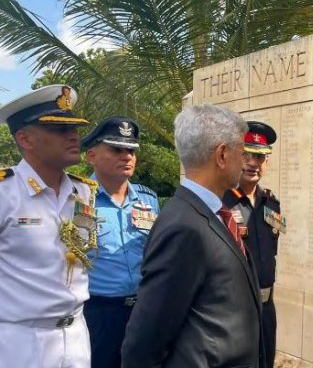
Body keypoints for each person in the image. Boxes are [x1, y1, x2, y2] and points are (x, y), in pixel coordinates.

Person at [122, 104, 262, 368]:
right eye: (241, 153)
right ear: (222, 155)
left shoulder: (212, 214)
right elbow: (146, 337)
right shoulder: (184, 226)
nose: (245, 162)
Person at [0, 85, 97, 368]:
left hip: (77, 334)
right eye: (59, 129)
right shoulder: (6, 193)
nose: (73, 136)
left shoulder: (84, 193)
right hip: (20, 340)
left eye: (74, 128)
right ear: (25, 138)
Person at [81, 116, 160, 368]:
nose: (126, 156)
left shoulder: (148, 200)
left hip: (143, 310)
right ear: (91, 156)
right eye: (116, 149)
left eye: (131, 150)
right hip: (98, 314)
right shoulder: (77, 200)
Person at [223, 121, 285, 368]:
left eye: (259, 157)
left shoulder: (272, 204)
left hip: (267, 307)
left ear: (266, 163)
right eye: (246, 155)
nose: (252, 163)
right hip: (234, 309)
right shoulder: (221, 203)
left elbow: (272, 250)